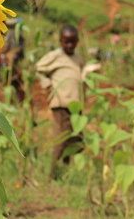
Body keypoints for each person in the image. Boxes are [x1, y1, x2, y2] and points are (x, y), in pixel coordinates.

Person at [36, 24, 85, 179]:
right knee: (61, 139)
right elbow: (39, 68)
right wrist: (47, 84)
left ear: (77, 41)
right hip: (61, 104)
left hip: (76, 106)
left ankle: (65, 170)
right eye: (66, 42)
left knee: (75, 139)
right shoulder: (55, 56)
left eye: (72, 42)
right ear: (60, 41)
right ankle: (53, 174)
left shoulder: (78, 58)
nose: (69, 45)